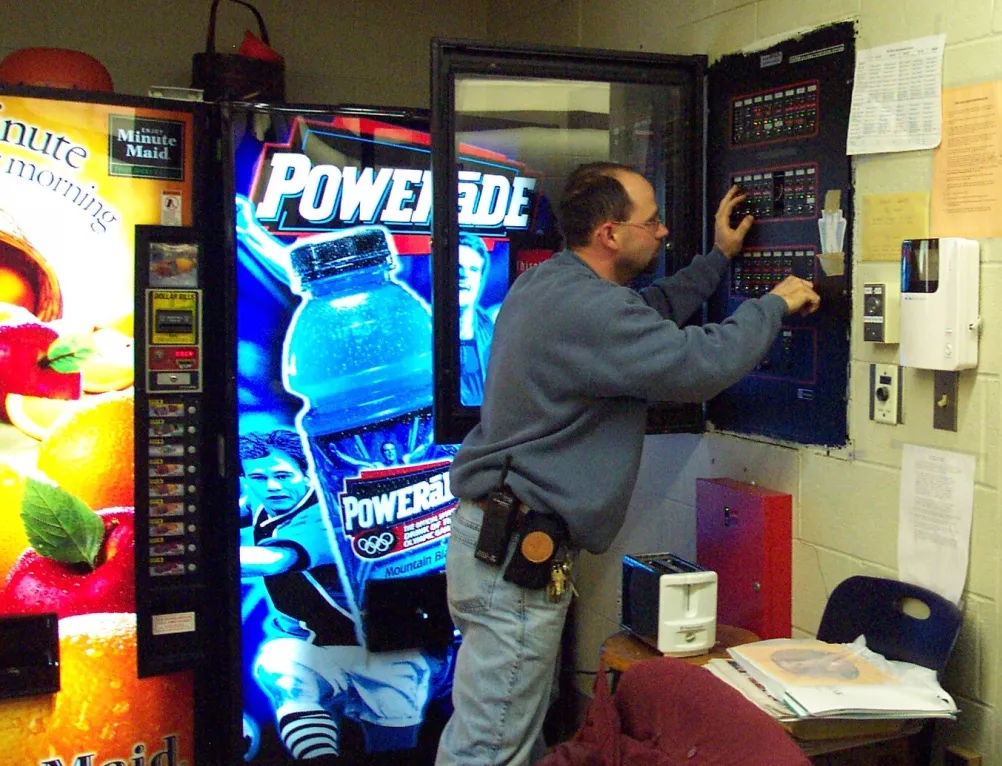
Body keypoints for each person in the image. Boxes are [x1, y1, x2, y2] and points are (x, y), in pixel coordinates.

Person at [436, 161, 820, 765]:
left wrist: (719, 258)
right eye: (653, 221)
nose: (664, 231)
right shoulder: (589, 310)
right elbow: (700, 363)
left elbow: (653, 311)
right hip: (516, 559)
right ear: (611, 234)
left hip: (500, 547)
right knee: (488, 749)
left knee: (506, 735)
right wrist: (772, 304)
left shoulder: (555, 284)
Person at [239, 429, 435, 760]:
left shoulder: (322, 516)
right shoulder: (264, 505)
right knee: (279, 661)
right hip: (324, 652)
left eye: (283, 475)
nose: (272, 486)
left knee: (392, 748)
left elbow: (274, 561)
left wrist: (193, 554)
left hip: (381, 657)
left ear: (307, 473)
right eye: (259, 477)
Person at [458, 232, 497, 406]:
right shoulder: (420, 335)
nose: (463, 276)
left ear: (480, 279)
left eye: (472, 269)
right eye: (457, 267)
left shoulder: (496, 335)